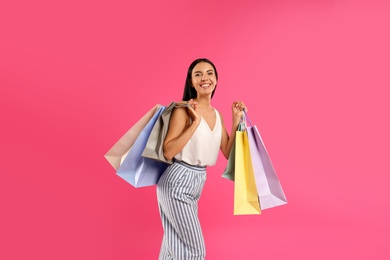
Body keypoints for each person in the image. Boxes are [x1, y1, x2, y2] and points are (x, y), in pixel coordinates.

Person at [156, 58, 247, 260]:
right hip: (177, 181)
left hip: (196, 181)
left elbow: (228, 153)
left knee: (173, 248)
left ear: (216, 80)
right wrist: (194, 122)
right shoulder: (183, 110)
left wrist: (235, 120)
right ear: (191, 82)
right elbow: (168, 151)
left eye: (209, 73)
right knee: (195, 252)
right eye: (198, 74)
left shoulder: (217, 114)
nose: (204, 78)